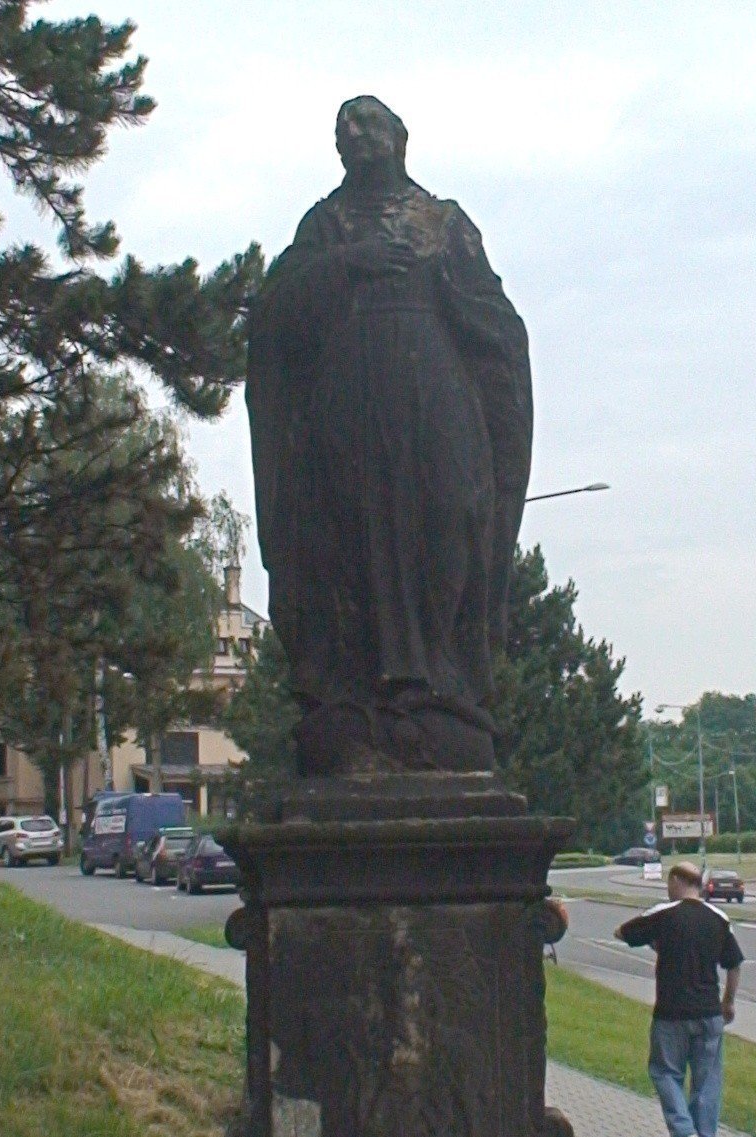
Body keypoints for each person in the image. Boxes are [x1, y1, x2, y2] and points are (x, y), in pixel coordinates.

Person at [246, 95, 532, 775]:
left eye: (369, 122)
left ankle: (441, 684)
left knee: (447, 524)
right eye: (344, 126)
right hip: (344, 424)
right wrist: (346, 265)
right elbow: (276, 316)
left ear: (402, 137)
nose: (356, 133)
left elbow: (496, 324)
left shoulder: (443, 223)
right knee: (349, 545)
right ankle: (359, 693)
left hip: (435, 412)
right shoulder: (326, 226)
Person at [614, 861, 743, 1137]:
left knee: (664, 1073)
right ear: (699, 884)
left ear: (675, 881)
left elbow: (621, 932)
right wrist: (728, 1001)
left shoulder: (663, 914)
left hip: (671, 1013)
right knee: (707, 1082)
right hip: (709, 1013)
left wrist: (661, 944)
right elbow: (734, 963)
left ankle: (685, 1134)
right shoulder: (719, 919)